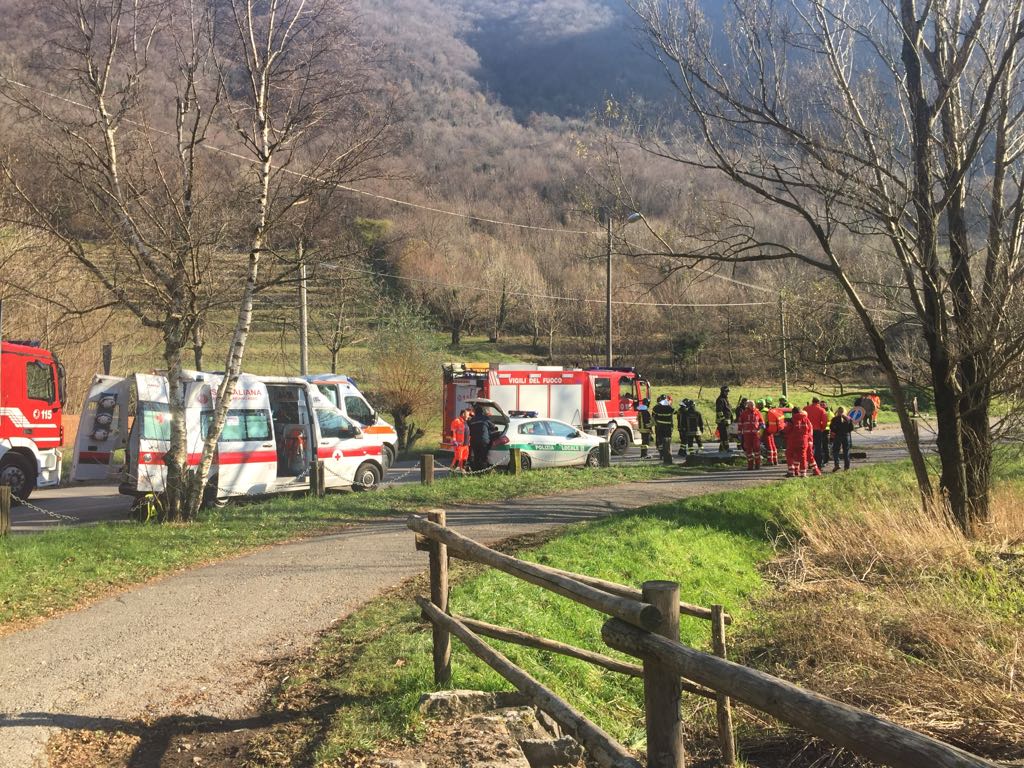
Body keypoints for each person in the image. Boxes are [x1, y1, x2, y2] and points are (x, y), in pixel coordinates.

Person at [783, 406, 818, 477]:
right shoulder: (806, 419)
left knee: (789, 455)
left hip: (793, 441)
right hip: (804, 441)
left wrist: (783, 429)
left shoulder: (792, 420)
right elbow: (809, 430)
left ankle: (791, 471)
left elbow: (787, 430)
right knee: (803, 457)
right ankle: (803, 473)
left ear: (793, 413)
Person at [737, 399, 765, 470]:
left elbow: (762, 422)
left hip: (755, 434)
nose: (753, 406)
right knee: (748, 450)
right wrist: (739, 433)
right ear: (748, 406)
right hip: (747, 435)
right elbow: (740, 424)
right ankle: (750, 466)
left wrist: (761, 428)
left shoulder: (757, 412)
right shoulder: (744, 413)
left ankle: (757, 465)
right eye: (751, 405)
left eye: (753, 405)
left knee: (757, 449)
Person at [467, 405, 496, 472]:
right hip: (484, 441)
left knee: (476, 457)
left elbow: (469, 429)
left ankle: (476, 471)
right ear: (482, 412)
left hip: (474, 441)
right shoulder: (485, 418)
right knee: (483, 457)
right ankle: (484, 471)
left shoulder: (472, 420)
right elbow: (493, 427)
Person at [805, 398, 829, 470]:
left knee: (809, 448)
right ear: (818, 402)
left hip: (808, 431)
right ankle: (818, 465)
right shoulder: (822, 410)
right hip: (817, 430)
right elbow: (824, 421)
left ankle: (810, 463)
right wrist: (822, 428)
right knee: (818, 448)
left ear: (812, 401)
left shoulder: (806, 408)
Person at [652, 394, 675, 463]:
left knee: (660, 440)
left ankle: (661, 454)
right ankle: (668, 455)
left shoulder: (656, 408)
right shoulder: (670, 408)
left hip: (659, 427)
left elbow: (653, 417)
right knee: (667, 441)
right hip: (668, 427)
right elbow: (672, 416)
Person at [829, 406, 854, 472]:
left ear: (838, 411)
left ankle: (837, 464)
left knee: (836, 451)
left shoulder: (834, 419)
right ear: (845, 411)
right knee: (846, 452)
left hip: (837, 436)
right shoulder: (848, 419)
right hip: (846, 436)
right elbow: (851, 428)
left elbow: (832, 428)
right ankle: (847, 467)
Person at [763, 398, 784, 466]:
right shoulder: (771, 411)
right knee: (772, 445)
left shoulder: (764, 412)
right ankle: (775, 460)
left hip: (766, 430)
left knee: (769, 446)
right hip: (771, 429)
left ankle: (770, 461)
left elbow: (763, 423)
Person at [715, 386, 733, 453]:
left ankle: (721, 448)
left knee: (725, 435)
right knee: (724, 435)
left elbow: (728, 410)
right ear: (723, 391)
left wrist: (731, 418)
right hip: (722, 422)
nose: (727, 393)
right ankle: (726, 448)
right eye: (726, 391)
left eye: (728, 392)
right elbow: (719, 411)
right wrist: (723, 420)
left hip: (726, 421)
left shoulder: (725, 399)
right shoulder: (720, 400)